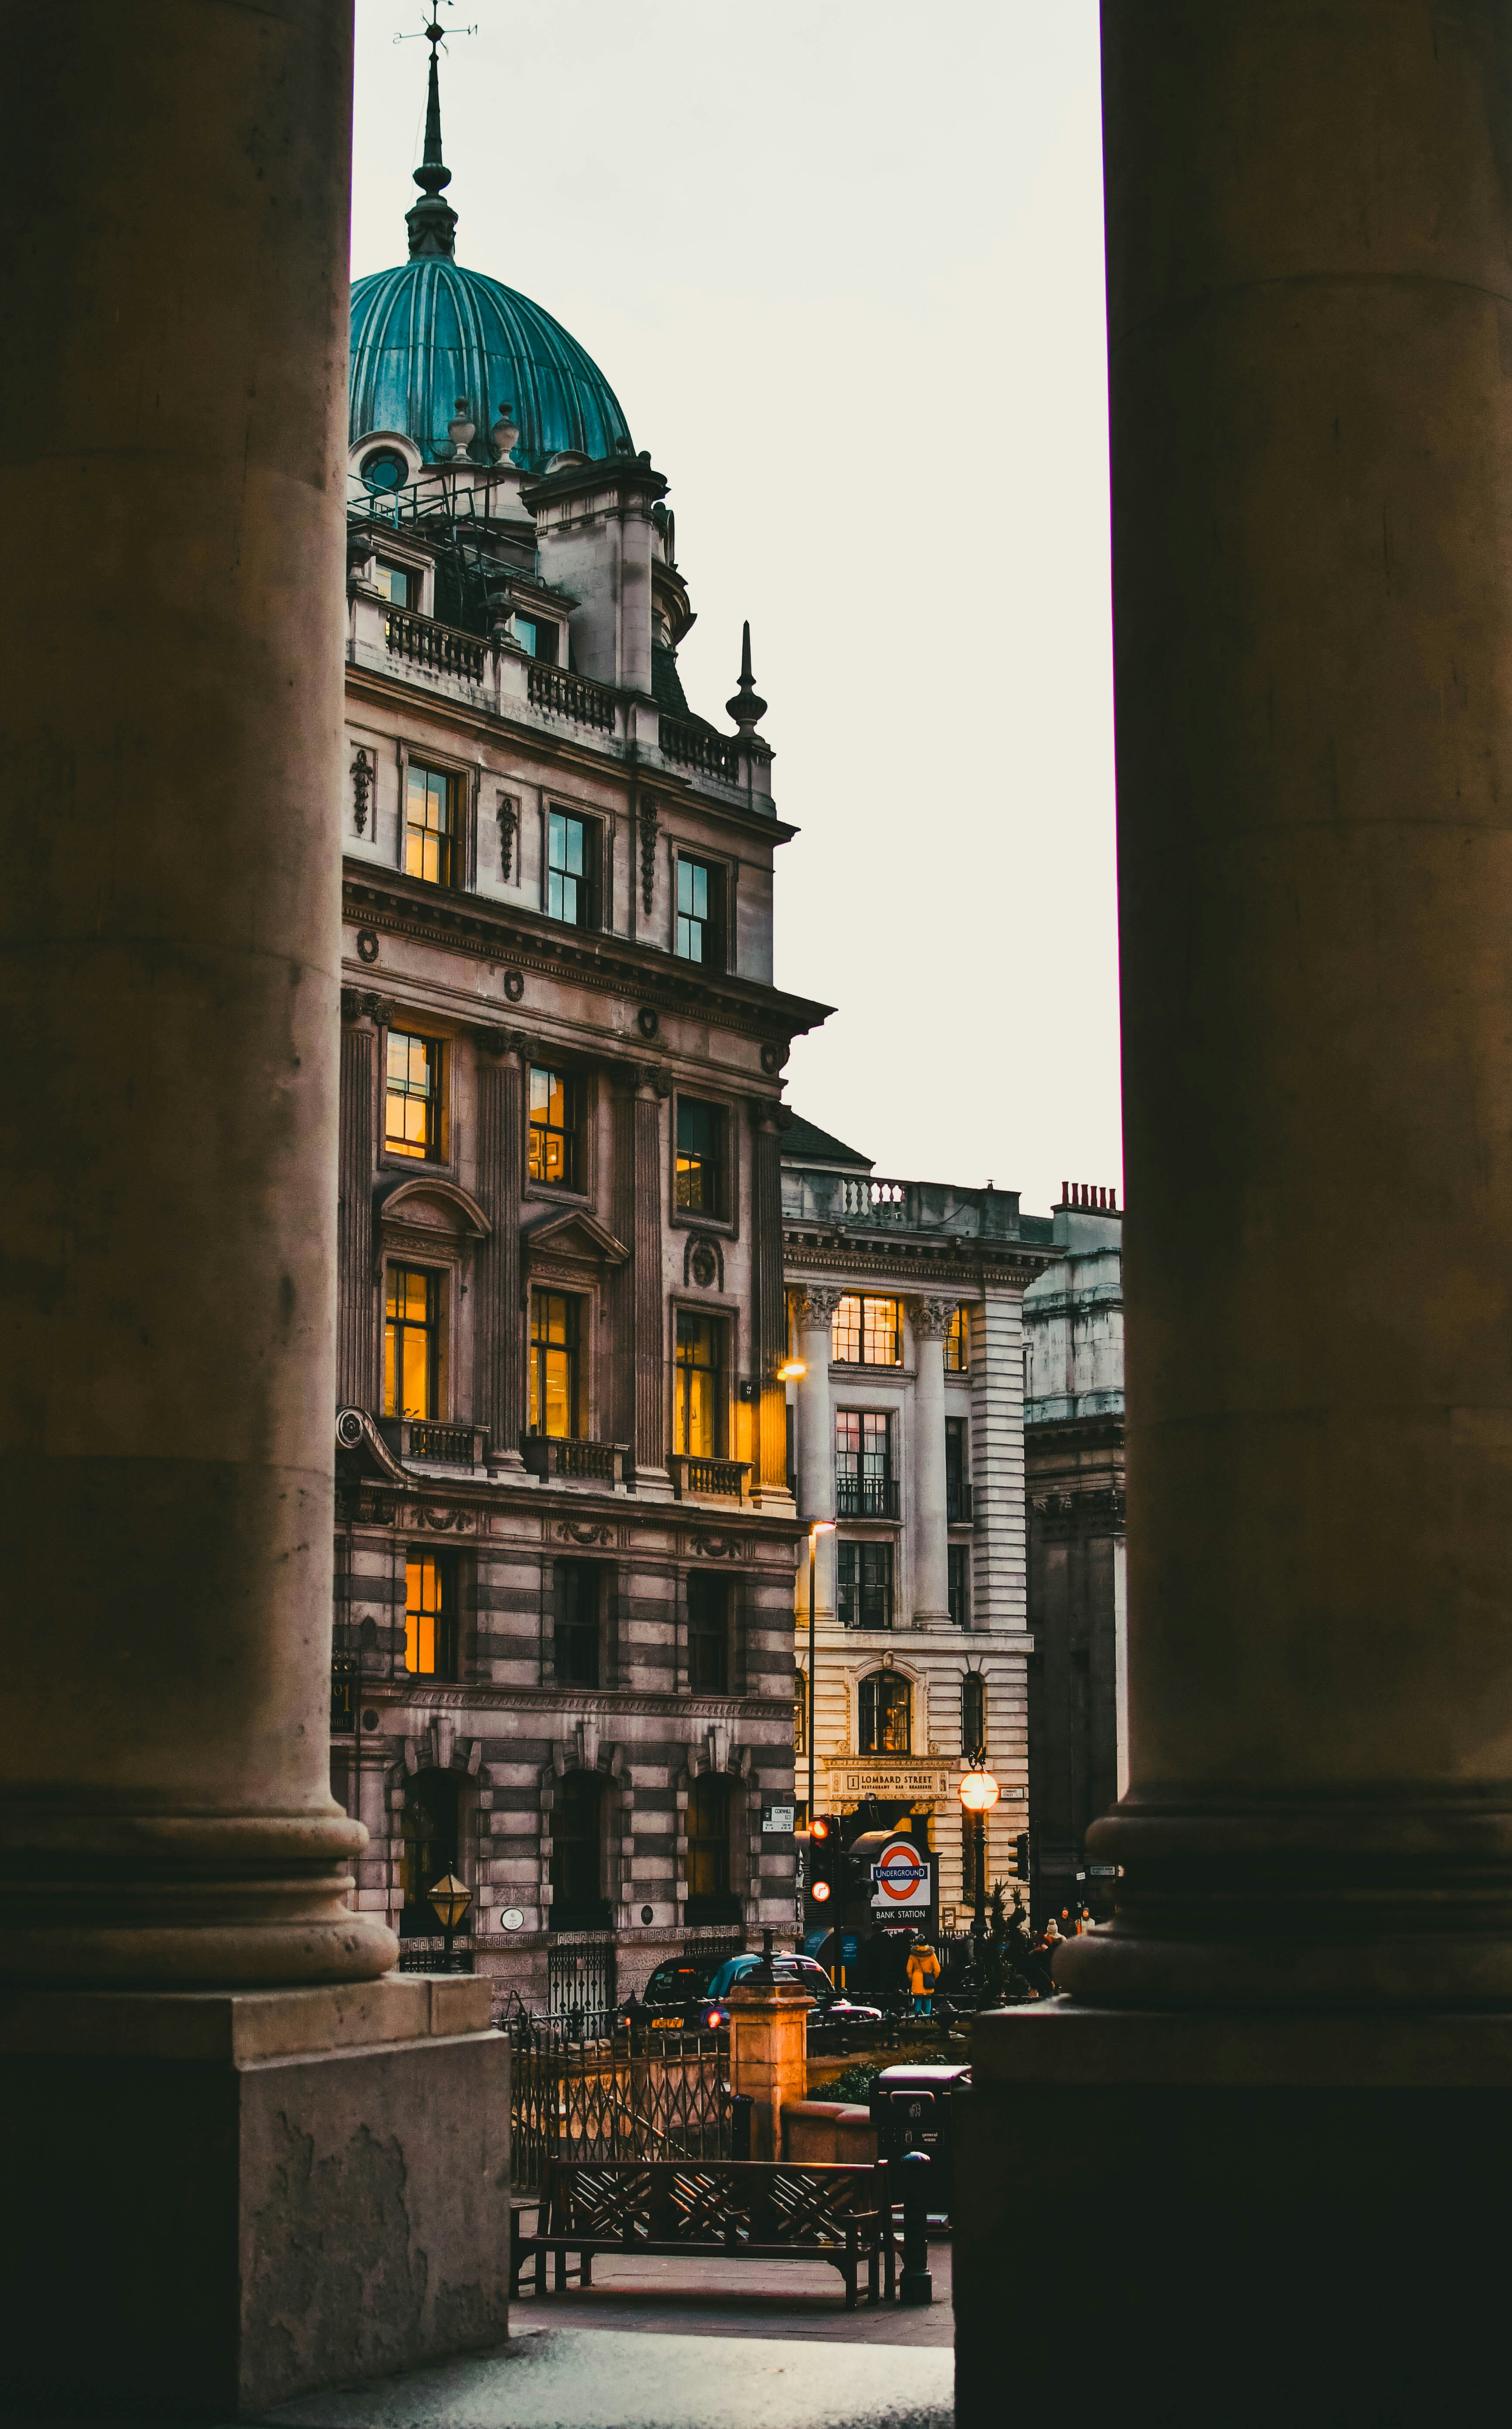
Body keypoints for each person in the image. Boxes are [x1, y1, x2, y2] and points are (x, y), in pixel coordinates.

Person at [905, 1933, 941, 2018]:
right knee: (928, 2002)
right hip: (928, 1979)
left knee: (918, 2002)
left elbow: (909, 1969)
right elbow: (937, 1969)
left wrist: (911, 1979)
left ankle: (918, 2019)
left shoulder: (913, 1954)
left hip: (917, 1979)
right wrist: (933, 1978)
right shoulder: (931, 1954)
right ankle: (928, 2020)